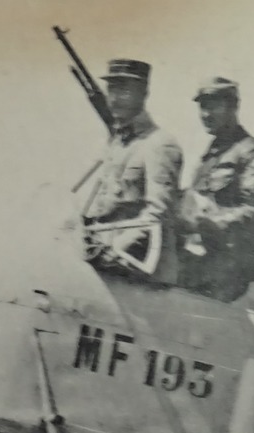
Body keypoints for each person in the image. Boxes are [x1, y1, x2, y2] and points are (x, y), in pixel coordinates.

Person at [81, 59, 184, 284]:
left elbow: (159, 215)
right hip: (106, 259)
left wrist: (116, 250)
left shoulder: (160, 144)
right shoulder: (118, 144)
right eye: (112, 89)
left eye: (125, 91)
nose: (115, 99)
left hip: (135, 271)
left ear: (143, 94)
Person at [177, 77, 254, 303]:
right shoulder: (209, 158)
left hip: (237, 273)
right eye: (203, 107)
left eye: (214, 106)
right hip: (206, 261)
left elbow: (253, 210)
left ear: (233, 107)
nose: (206, 114)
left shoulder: (251, 152)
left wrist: (206, 223)